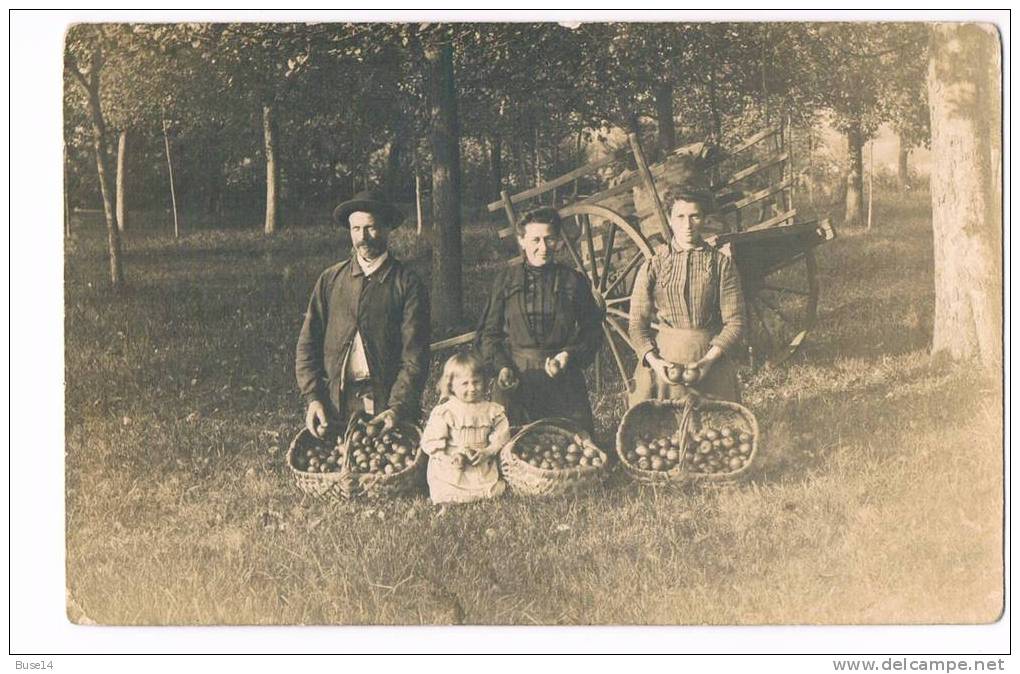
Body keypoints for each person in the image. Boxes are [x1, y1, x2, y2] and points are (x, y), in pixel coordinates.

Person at [295, 189, 431, 439]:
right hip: (337, 404)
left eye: (370, 228)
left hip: (387, 404)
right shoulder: (331, 279)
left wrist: (396, 408)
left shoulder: (407, 283)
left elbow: (415, 356)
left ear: (388, 228)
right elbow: (307, 344)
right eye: (355, 229)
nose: (362, 237)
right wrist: (314, 398)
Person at [475, 207, 603, 434]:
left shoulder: (573, 281)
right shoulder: (505, 280)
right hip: (516, 379)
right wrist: (502, 367)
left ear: (558, 241)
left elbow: (591, 330)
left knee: (569, 451)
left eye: (550, 239)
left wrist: (568, 355)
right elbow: (488, 334)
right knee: (512, 451)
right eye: (535, 239)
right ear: (521, 241)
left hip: (563, 380)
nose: (543, 248)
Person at [628, 188, 746, 404]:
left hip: (708, 361)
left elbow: (735, 322)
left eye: (695, 216)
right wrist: (655, 363)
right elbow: (637, 323)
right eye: (680, 216)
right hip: (664, 363)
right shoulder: (654, 265)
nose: (687, 225)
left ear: (704, 219)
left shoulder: (721, 264)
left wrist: (707, 362)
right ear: (669, 219)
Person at [420, 353, 510, 504]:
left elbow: (502, 434)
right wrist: (448, 458)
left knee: (493, 490)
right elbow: (431, 441)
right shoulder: (446, 411)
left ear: (485, 382)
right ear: (451, 386)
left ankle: (479, 491)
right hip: (453, 466)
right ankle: (451, 493)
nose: (472, 388)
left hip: (480, 462)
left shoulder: (491, 410)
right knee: (447, 491)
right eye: (465, 383)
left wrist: (487, 452)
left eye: (477, 382)